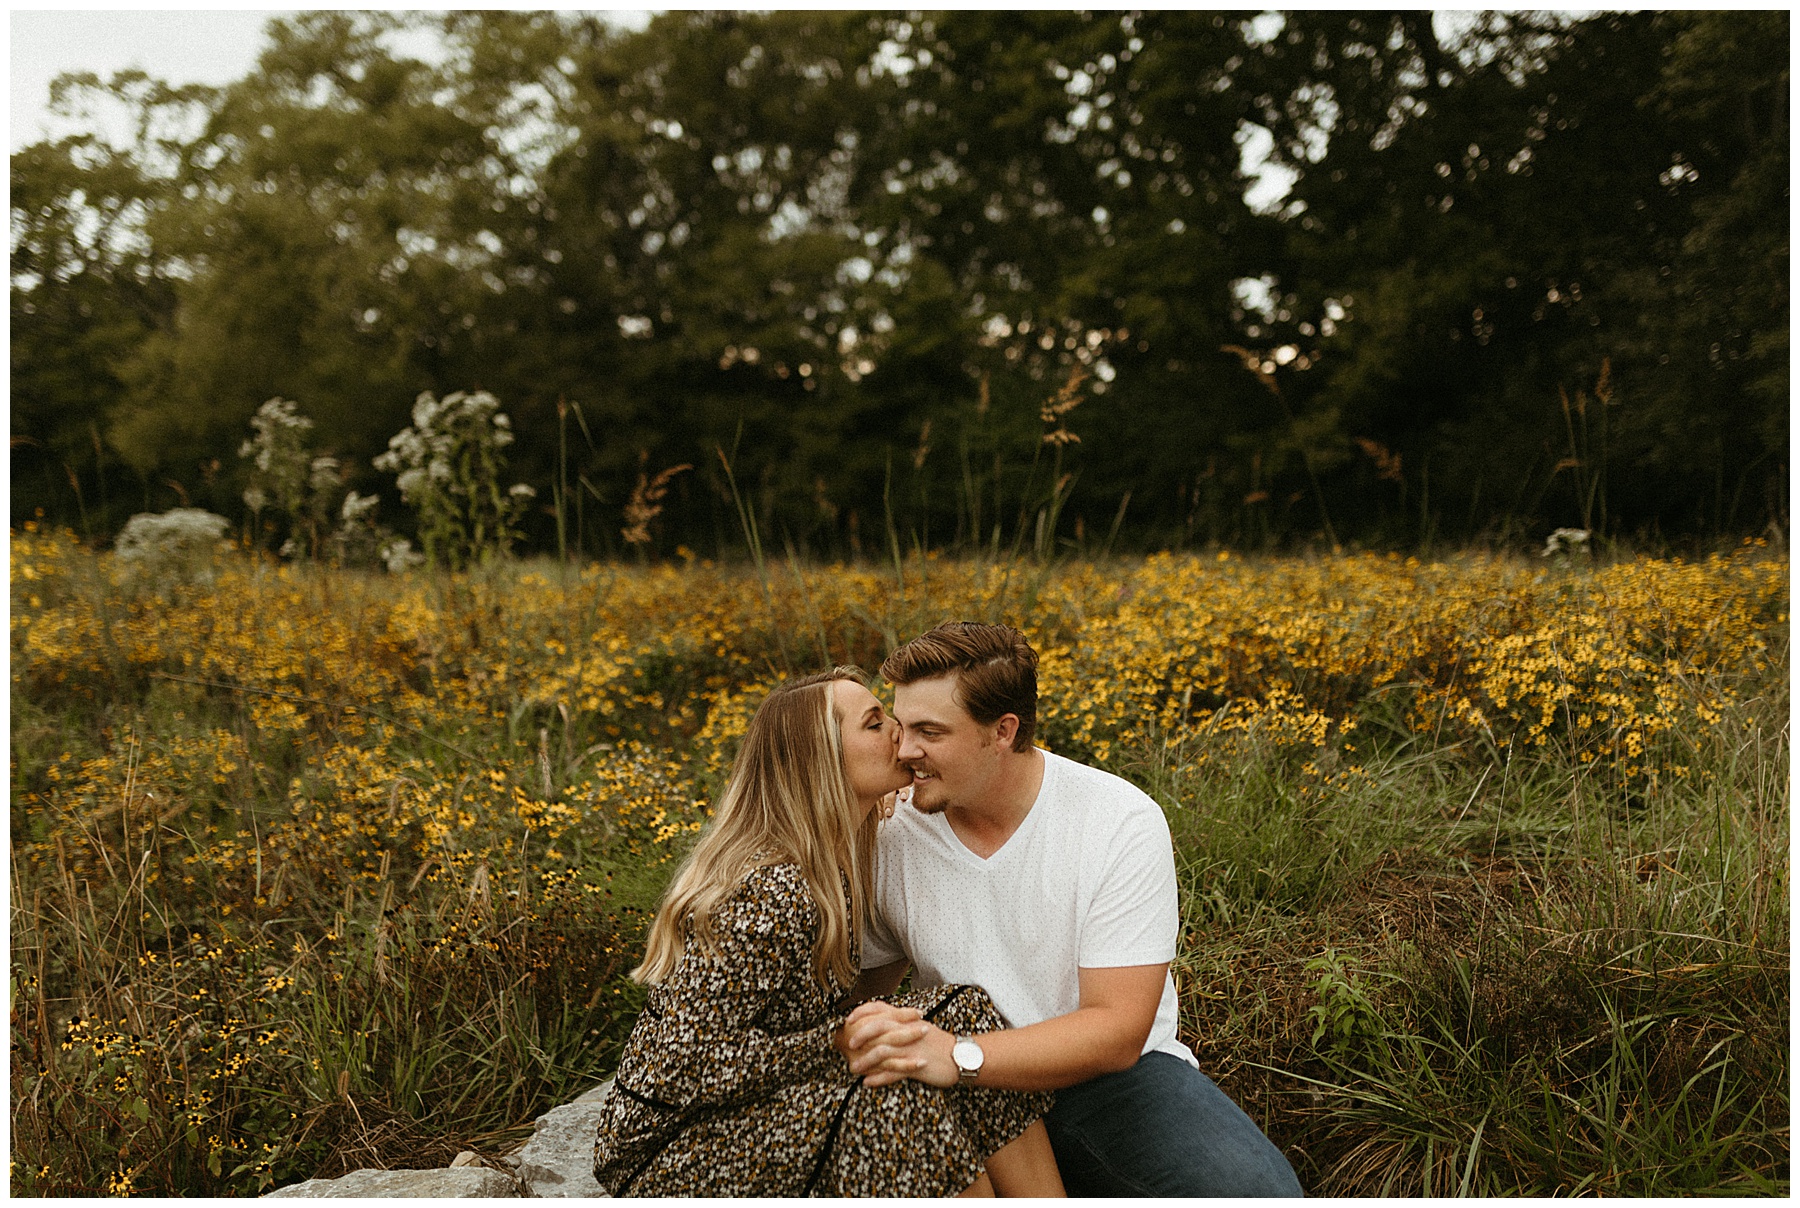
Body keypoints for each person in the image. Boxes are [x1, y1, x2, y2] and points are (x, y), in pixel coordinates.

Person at [841, 623, 1304, 1197]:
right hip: (959, 1089)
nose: (905, 751)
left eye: (930, 732)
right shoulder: (891, 829)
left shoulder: (1116, 819)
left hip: (1113, 1082)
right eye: (901, 726)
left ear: (1002, 732)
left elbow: (1117, 1031)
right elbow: (864, 989)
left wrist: (957, 1054)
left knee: (1257, 1193)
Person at [591, 666, 1065, 1197]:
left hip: (760, 1104)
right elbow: (689, 1066)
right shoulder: (770, 889)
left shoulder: (840, 852)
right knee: (896, 1088)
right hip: (669, 1148)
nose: (898, 734)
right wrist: (838, 1043)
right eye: (874, 724)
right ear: (822, 761)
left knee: (961, 1013)